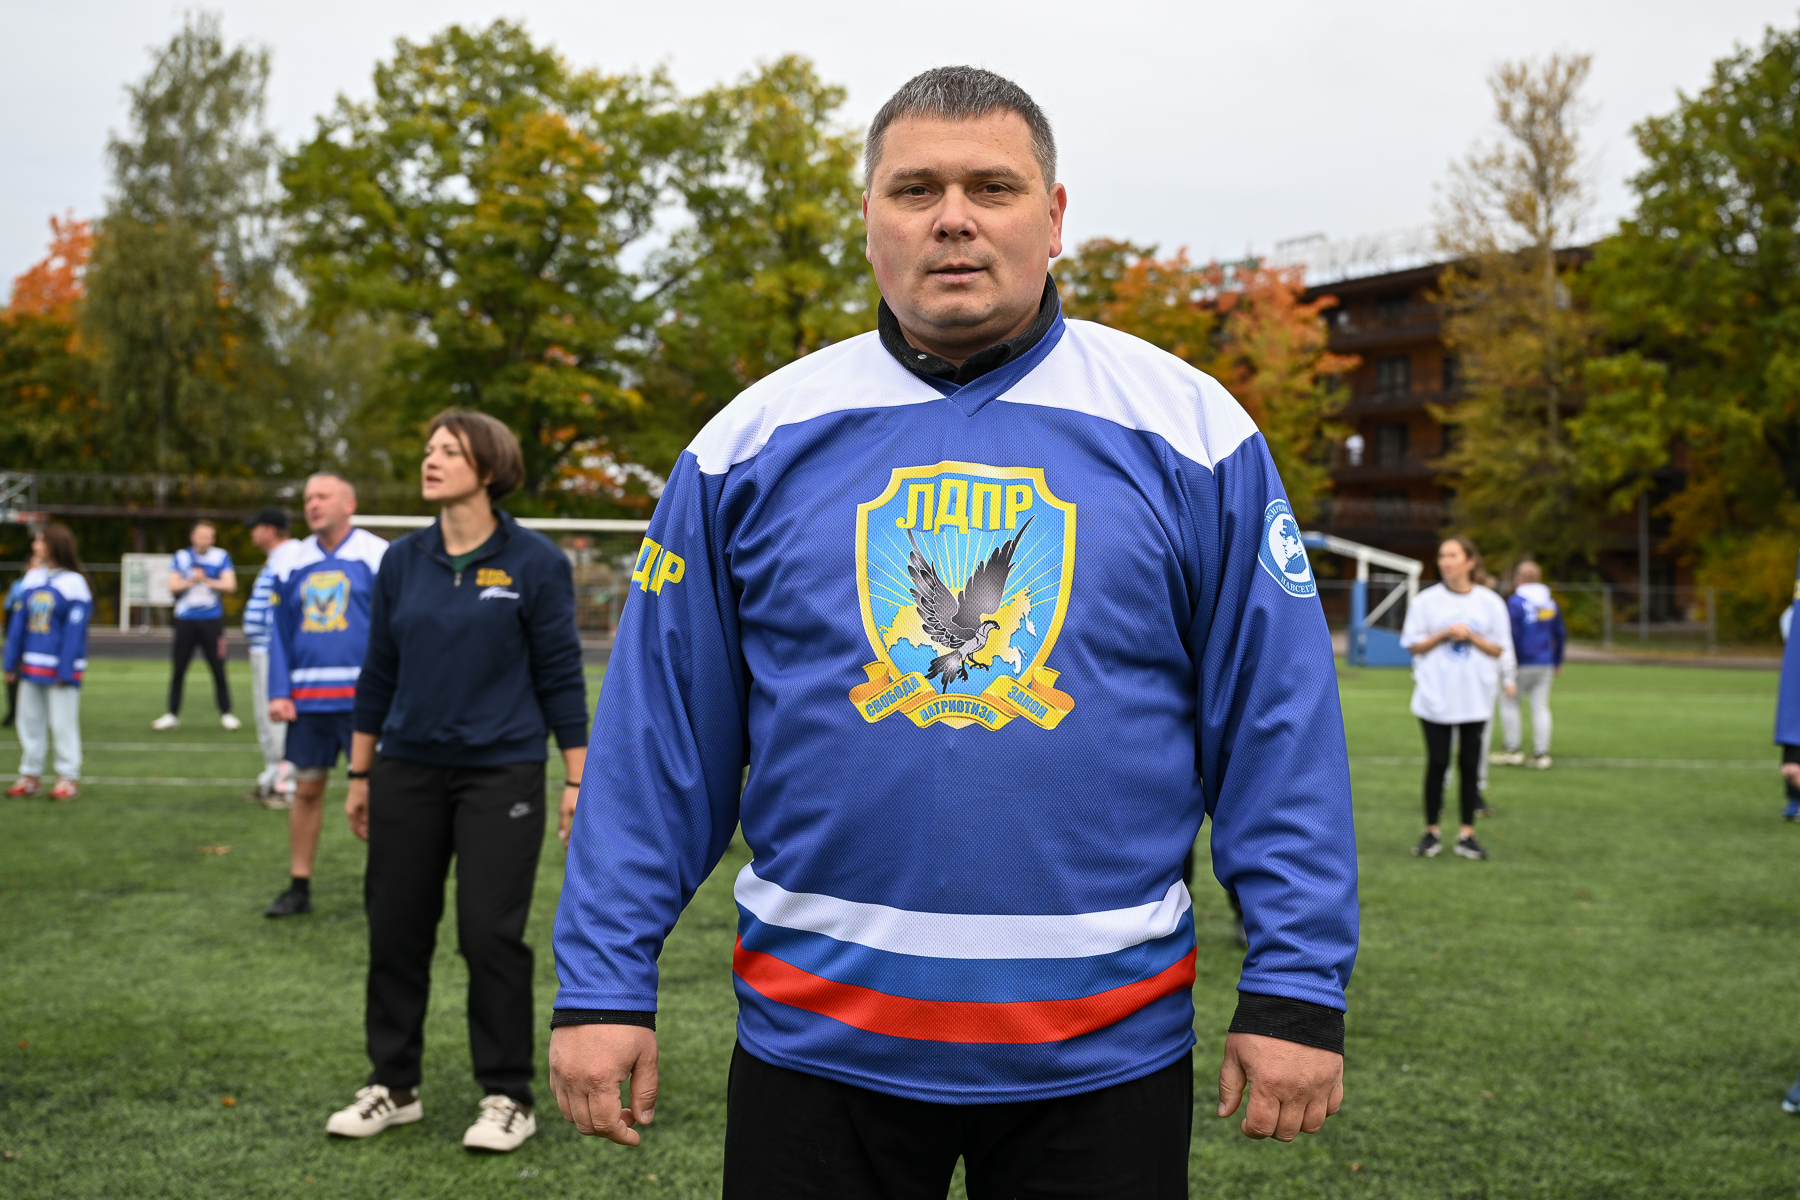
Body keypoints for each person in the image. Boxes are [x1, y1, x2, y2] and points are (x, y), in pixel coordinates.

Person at [548, 67, 1358, 1198]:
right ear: (870, 218)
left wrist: (1296, 984)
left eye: (993, 187)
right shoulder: (749, 443)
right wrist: (601, 983)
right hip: (815, 1044)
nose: (954, 218)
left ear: (1055, 217)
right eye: (916, 189)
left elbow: (1277, 726)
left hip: (1104, 1049)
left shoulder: (1191, 431)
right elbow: (662, 739)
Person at [321, 410, 588, 1153]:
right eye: (429, 448)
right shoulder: (401, 561)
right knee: (395, 931)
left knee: (488, 935)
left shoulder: (535, 562)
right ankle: (393, 1085)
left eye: (449, 450)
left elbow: (560, 678)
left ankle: (507, 1095)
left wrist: (576, 781)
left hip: (501, 774)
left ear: (490, 467)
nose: (430, 460)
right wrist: (360, 771)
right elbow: (378, 673)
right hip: (404, 770)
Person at [262, 475, 388, 918]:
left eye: (322, 496)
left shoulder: (378, 554)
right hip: (309, 701)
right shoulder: (288, 560)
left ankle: (385, 889)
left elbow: (393, 630)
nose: (313, 504)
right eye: (307, 498)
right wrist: (279, 691)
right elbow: (278, 632)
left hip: (366, 703)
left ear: (349, 503)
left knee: (379, 795)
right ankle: (299, 886)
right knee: (307, 790)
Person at [1401, 537, 1515, 861]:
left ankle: (1467, 833)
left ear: (1470, 562)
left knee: (1469, 764)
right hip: (1435, 697)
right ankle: (1431, 831)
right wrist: (1444, 633)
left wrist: (1470, 636)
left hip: (1475, 698)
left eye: (1453, 555)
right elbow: (1413, 645)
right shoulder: (1426, 601)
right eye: (1442, 556)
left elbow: (1498, 648)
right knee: (1438, 762)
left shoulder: (1490, 602)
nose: (1446, 562)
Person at [3, 525, 91, 801]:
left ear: (54, 545)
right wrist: (10, 662)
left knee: (62, 723)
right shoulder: (32, 578)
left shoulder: (74, 583)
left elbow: (75, 632)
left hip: (60, 669)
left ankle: (68, 777)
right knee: (29, 721)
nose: (35, 546)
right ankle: (30, 775)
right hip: (31, 665)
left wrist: (66, 669)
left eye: (40, 541)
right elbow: (18, 624)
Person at [153, 519, 239, 732]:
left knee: (218, 668)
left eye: (210, 537)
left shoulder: (221, 556)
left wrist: (206, 580)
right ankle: (172, 714)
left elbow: (230, 585)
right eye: (202, 536)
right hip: (186, 620)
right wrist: (192, 580)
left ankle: (226, 713)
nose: (206, 540)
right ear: (193, 537)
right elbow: (172, 586)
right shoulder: (181, 557)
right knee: (179, 668)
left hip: (212, 621)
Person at [241, 508, 299, 806]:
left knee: (278, 719)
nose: (252, 533)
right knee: (266, 720)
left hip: (275, 650)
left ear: (270, 530)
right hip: (262, 648)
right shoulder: (276, 558)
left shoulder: (290, 557)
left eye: (256, 527)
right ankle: (271, 778)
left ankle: (286, 785)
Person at [1492, 561, 1565, 770]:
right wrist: (1557, 660)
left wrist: (1509, 661)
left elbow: (1512, 634)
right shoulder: (1549, 602)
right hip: (1545, 661)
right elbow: (1560, 633)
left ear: (1519, 579)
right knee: (1540, 707)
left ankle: (1512, 749)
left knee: (1509, 703)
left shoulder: (1516, 602)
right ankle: (1541, 753)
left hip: (1521, 661)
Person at [2, 543, 42, 729]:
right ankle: (14, 711)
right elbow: (9, 610)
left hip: (38, 640)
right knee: (13, 676)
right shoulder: (19, 587)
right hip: (21, 638)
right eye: (34, 564)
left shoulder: (49, 587)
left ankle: (36, 714)